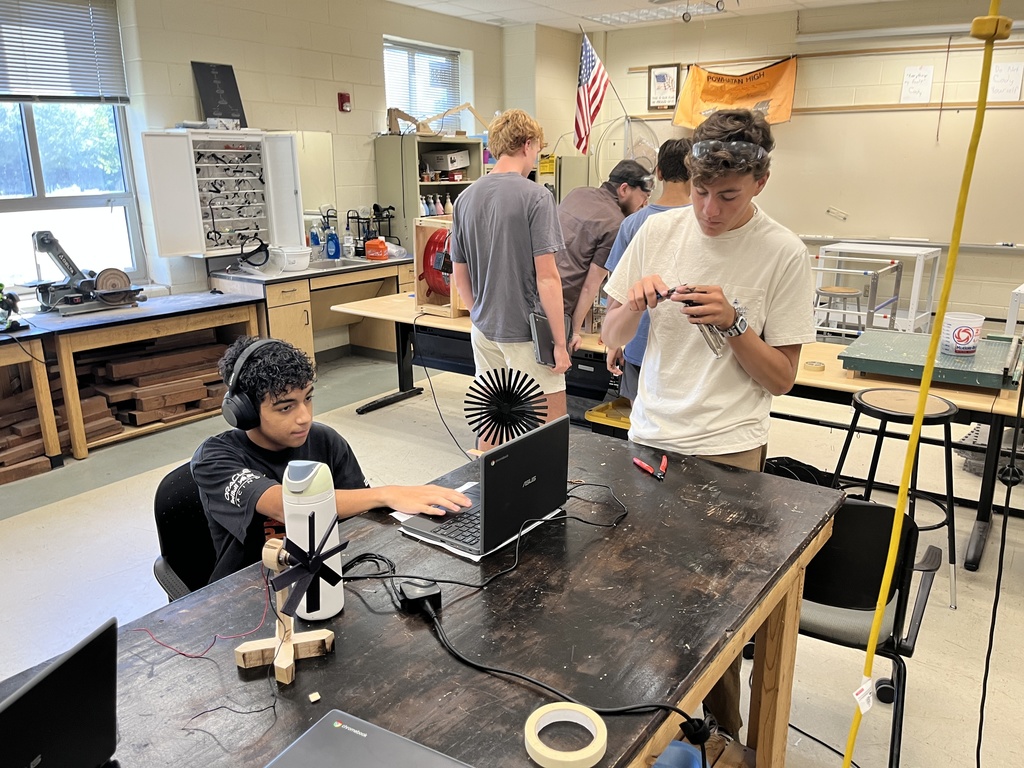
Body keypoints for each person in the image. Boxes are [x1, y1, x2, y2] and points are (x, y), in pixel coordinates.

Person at [602, 109, 815, 739]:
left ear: (760, 183)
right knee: (640, 596)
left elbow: (782, 378)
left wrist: (734, 322)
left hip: (728, 450)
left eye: (728, 196)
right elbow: (608, 337)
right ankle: (651, 725)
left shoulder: (783, 253)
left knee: (716, 613)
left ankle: (723, 736)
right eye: (699, 192)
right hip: (649, 437)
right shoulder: (656, 230)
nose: (709, 211)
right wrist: (632, 307)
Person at [192, 336, 470, 583]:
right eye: (286, 407)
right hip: (251, 589)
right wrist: (386, 493)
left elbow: (361, 516)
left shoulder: (325, 440)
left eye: (308, 399)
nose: (304, 417)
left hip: (322, 575)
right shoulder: (215, 459)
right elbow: (288, 507)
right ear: (245, 412)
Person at [450, 109, 569, 448]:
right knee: (550, 425)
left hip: (484, 329)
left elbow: (459, 272)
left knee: (494, 418)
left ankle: (491, 489)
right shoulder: (536, 196)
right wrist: (559, 343)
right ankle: (545, 495)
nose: (536, 159)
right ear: (528, 145)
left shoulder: (464, 199)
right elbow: (547, 277)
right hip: (526, 330)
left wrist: (478, 312)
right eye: (538, 151)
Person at [603, 139, 693, 403]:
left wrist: (614, 343)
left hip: (638, 344)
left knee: (639, 429)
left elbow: (615, 291)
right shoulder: (703, 225)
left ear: (659, 173)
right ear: (695, 172)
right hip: (683, 353)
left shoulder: (632, 224)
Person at [556, 159, 652, 351]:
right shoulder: (615, 223)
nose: (645, 204)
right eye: (644, 196)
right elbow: (590, 286)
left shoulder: (578, 192)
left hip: (533, 294)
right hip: (559, 309)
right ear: (624, 189)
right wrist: (574, 331)